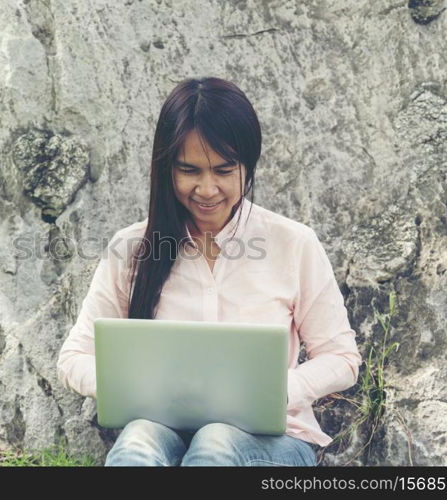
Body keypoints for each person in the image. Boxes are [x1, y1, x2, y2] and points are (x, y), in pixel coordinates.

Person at [56, 77, 362, 466]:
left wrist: (283, 387)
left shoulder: (293, 243)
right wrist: (130, 389)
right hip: (161, 428)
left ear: (247, 165)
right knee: (137, 442)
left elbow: (341, 357)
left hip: (273, 441)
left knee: (215, 443)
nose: (206, 188)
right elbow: (74, 357)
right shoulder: (131, 248)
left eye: (223, 170)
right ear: (166, 168)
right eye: (189, 170)